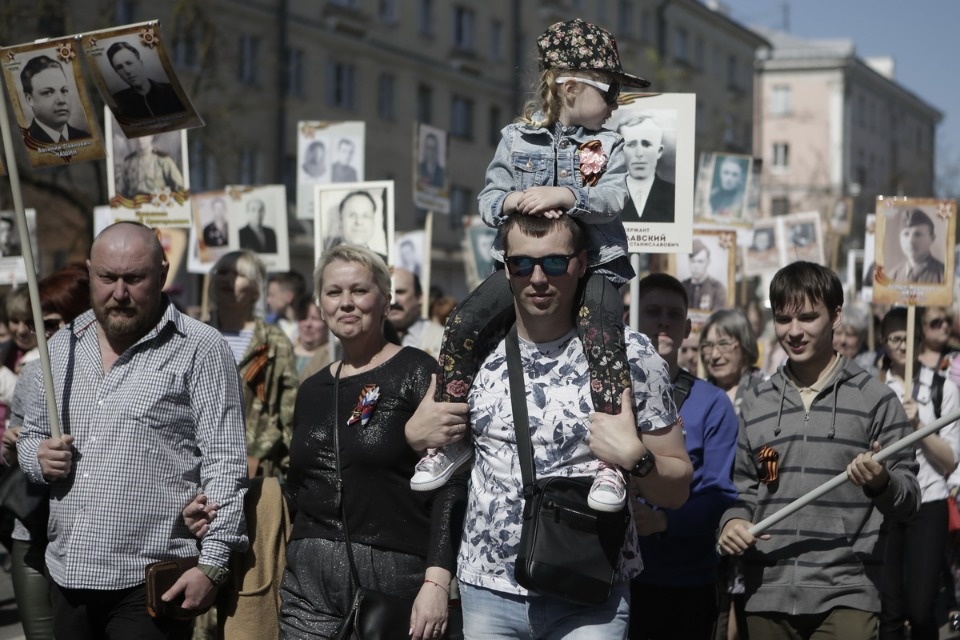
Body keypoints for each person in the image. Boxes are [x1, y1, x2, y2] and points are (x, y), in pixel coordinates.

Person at [410, 213, 691, 638]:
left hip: (590, 592)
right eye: (523, 264)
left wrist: (636, 459)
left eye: (555, 263)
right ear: (506, 268)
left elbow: (677, 488)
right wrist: (414, 436)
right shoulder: (475, 352)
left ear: (580, 263)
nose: (538, 277)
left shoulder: (629, 355)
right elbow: (443, 462)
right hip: (488, 591)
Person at [413, 19, 652, 512]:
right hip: (525, 265)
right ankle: (451, 435)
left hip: (598, 264)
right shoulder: (515, 139)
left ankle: (610, 458)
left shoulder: (609, 145)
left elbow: (613, 199)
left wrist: (568, 194)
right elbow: (487, 200)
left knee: (603, 334)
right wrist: (514, 201)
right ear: (569, 87)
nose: (614, 105)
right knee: (463, 322)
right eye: (610, 91)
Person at [17, 222, 249, 638]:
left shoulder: (201, 348)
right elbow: (30, 434)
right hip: (68, 571)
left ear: (162, 273)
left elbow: (225, 462)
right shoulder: (62, 347)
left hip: (148, 582)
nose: (119, 293)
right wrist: (38, 457)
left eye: (134, 278)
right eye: (107, 278)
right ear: (90, 273)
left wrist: (213, 564)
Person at [718, 261, 921, 640]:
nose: (794, 332)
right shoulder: (757, 401)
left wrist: (881, 482)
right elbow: (742, 490)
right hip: (767, 596)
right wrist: (731, 523)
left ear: (836, 316)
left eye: (808, 318)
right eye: (783, 319)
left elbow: (909, 501)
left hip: (849, 594)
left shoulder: (876, 399)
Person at [278, 243, 467, 639]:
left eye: (359, 291)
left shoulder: (418, 372)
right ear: (321, 303)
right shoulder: (312, 389)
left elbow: (451, 486)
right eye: (334, 293)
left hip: (393, 577)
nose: (346, 303)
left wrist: (435, 584)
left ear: (385, 299)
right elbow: (299, 486)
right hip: (307, 582)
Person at [629, 273, 739, 640]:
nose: (663, 321)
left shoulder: (713, 404)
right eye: (652, 311)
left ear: (688, 328)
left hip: (684, 582)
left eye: (674, 314)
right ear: (631, 316)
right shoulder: (602, 396)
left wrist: (664, 522)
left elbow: (719, 493)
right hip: (611, 581)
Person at [2, 263, 90, 640]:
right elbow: (14, 452)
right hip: (34, 529)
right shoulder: (32, 375)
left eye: (52, 323)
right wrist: (14, 445)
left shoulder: (117, 375)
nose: (43, 334)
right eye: (41, 324)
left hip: (88, 536)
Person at [876, 307, 959, 640]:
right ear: (883, 343)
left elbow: (951, 459)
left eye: (908, 339)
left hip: (928, 502)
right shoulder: (871, 388)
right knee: (890, 610)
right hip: (886, 503)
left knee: (921, 605)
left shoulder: (941, 387)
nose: (902, 346)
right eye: (895, 340)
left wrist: (919, 427)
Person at [698, 308, 765, 639]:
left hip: (754, 514)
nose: (714, 354)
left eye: (724, 343)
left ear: (744, 344)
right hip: (709, 518)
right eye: (707, 346)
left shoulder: (766, 392)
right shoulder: (698, 392)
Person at [209, 251, 299, 479]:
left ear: (256, 290)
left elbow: (289, 412)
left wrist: (292, 472)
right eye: (222, 272)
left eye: (238, 274)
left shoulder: (274, 342)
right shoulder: (194, 336)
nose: (227, 279)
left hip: (259, 470)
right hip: (202, 468)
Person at [618, 114, 675, 223]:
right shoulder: (607, 194)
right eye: (630, 145)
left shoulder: (675, 195)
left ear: (659, 151)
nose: (639, 154)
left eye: (647, 144)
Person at [20, 55, 90, 144]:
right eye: (48, 92)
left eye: (64, 90)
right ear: (30, 99)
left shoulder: (85, 137)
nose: (61, 100)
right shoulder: (26, 144)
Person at [106, 41, 185, 119]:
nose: (127, 71)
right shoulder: (117, 101)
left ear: (140, 63)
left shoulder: (172, 91)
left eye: (129, 63)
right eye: (119, 67)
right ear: (117, 73)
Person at [388, 268, 445, 359]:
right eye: (388, 293)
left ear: (419, 297)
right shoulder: (368, 339)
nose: (393, 301)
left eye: (400, 292)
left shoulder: (444, 338)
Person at [116, 134, 184, 199]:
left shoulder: (163, 160)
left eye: (144, 136)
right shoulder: (128, 163)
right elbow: (121, 192)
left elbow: (180, 186)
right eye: (137, 136)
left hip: (157, 205)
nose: (140, 139)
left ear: (151, 137)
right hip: (134, 205)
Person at [887, 208, 944, 284]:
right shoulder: (892, 276)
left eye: (918, 234)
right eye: (906, 234)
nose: (910, 241)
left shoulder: (944, 274)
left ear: (932, 239)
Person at [324, 190, 387, 256]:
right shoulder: (325, 262)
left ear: (374, 223)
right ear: (340, 221)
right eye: (352, 215)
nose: (359, 222)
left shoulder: (386, 262)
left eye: (366, 216)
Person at [292, 294, 332, 382]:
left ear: (326, 324)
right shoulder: (286, 352)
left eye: (315, 319)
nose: (308, 324)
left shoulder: (333, 356)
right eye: (303, 318)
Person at [682, 239, 728, 311]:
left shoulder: (717, 289)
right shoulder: (682, 287)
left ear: (708, 263)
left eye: (700, 262)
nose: (695, 266)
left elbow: (719, 319)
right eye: (692, 261)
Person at [265, 271, 307, 342]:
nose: (268, 301)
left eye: (272, 295)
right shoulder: (270, 324)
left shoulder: (308, 327)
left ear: (289, 297)